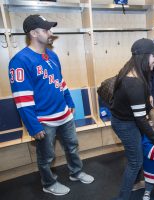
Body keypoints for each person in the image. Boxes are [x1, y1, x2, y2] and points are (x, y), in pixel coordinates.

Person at [8, 15, 94, 196]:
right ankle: (48, 183)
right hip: (44, 120)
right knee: (46, 157)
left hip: (64, 115)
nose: (51, 33)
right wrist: (33, 126)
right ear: (33, 33)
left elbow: (60, 82)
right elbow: (22, 99)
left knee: (72, 146)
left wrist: (69, 102)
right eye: (46, 30)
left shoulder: (52, 55)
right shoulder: (20, 61)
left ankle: (76, 172)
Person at [110, 38, 154, 200]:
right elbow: (140, 120)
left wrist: (149, 107)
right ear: (144, 57)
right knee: (135, 161)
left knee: (137, 154)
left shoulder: (135, 72)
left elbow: (140, 108)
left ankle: (138, 182)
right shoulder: (134, 83)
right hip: (125, 124)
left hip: (128, 119)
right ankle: (122, 197)